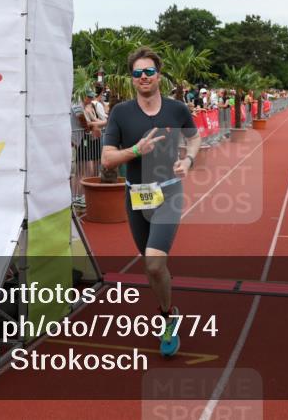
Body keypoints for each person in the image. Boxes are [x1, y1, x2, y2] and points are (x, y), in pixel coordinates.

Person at [101, 47, 200, 358]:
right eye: (137, 73)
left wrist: (189, 160)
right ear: (132, 79)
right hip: (136, 195)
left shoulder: (177, 109)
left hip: (169, 192)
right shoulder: (120, 113)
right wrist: (135, 151)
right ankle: (168, 311)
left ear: (159, 75)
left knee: (155, 262)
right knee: (152, 267)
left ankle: (167, 320)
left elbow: (194, 137)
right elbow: (106, 160)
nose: (143, 77)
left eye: (149, 72)